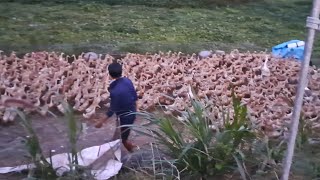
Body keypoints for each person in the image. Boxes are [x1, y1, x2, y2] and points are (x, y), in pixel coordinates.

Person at [95, 62, 138, 152]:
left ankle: (133, 151)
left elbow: (112, 110)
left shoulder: (114, 90)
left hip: (126, 117)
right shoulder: (127, 81)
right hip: (132, 111)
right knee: (120, 128)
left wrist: (101, 122)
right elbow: (135, 97)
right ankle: (114, 140)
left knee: (124, 139)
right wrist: (136, 112)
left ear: (110, 74)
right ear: (121, 71)